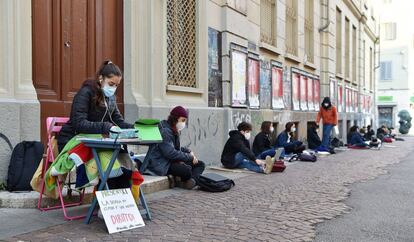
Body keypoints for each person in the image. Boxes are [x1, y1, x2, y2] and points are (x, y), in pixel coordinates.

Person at [52, 60, 135, 190]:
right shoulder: (86, 92)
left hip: (97, 140)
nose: (113, 88)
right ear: (101, 78)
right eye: (111, 84)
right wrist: (105, 126)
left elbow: (118, 121)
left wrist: (135, 128)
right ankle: (108, 201)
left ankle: (118, 203)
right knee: (109, 160)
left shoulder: (110, 98)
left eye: (116, 85)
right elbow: (79, 123)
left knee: (121, 160)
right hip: (74, 139)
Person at [147, 106, 205, 189]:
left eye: (185, 121)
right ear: (175, 118)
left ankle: (191, 181)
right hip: (162, 164)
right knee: (186, 170)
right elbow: (170, 153)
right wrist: (189, 157)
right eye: (183, 120)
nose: (184, 123)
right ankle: (187, 181)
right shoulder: (165, 131)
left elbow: (175, 148)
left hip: (170, 161)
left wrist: (188, 151)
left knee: (200, 164)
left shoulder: (172, 129)